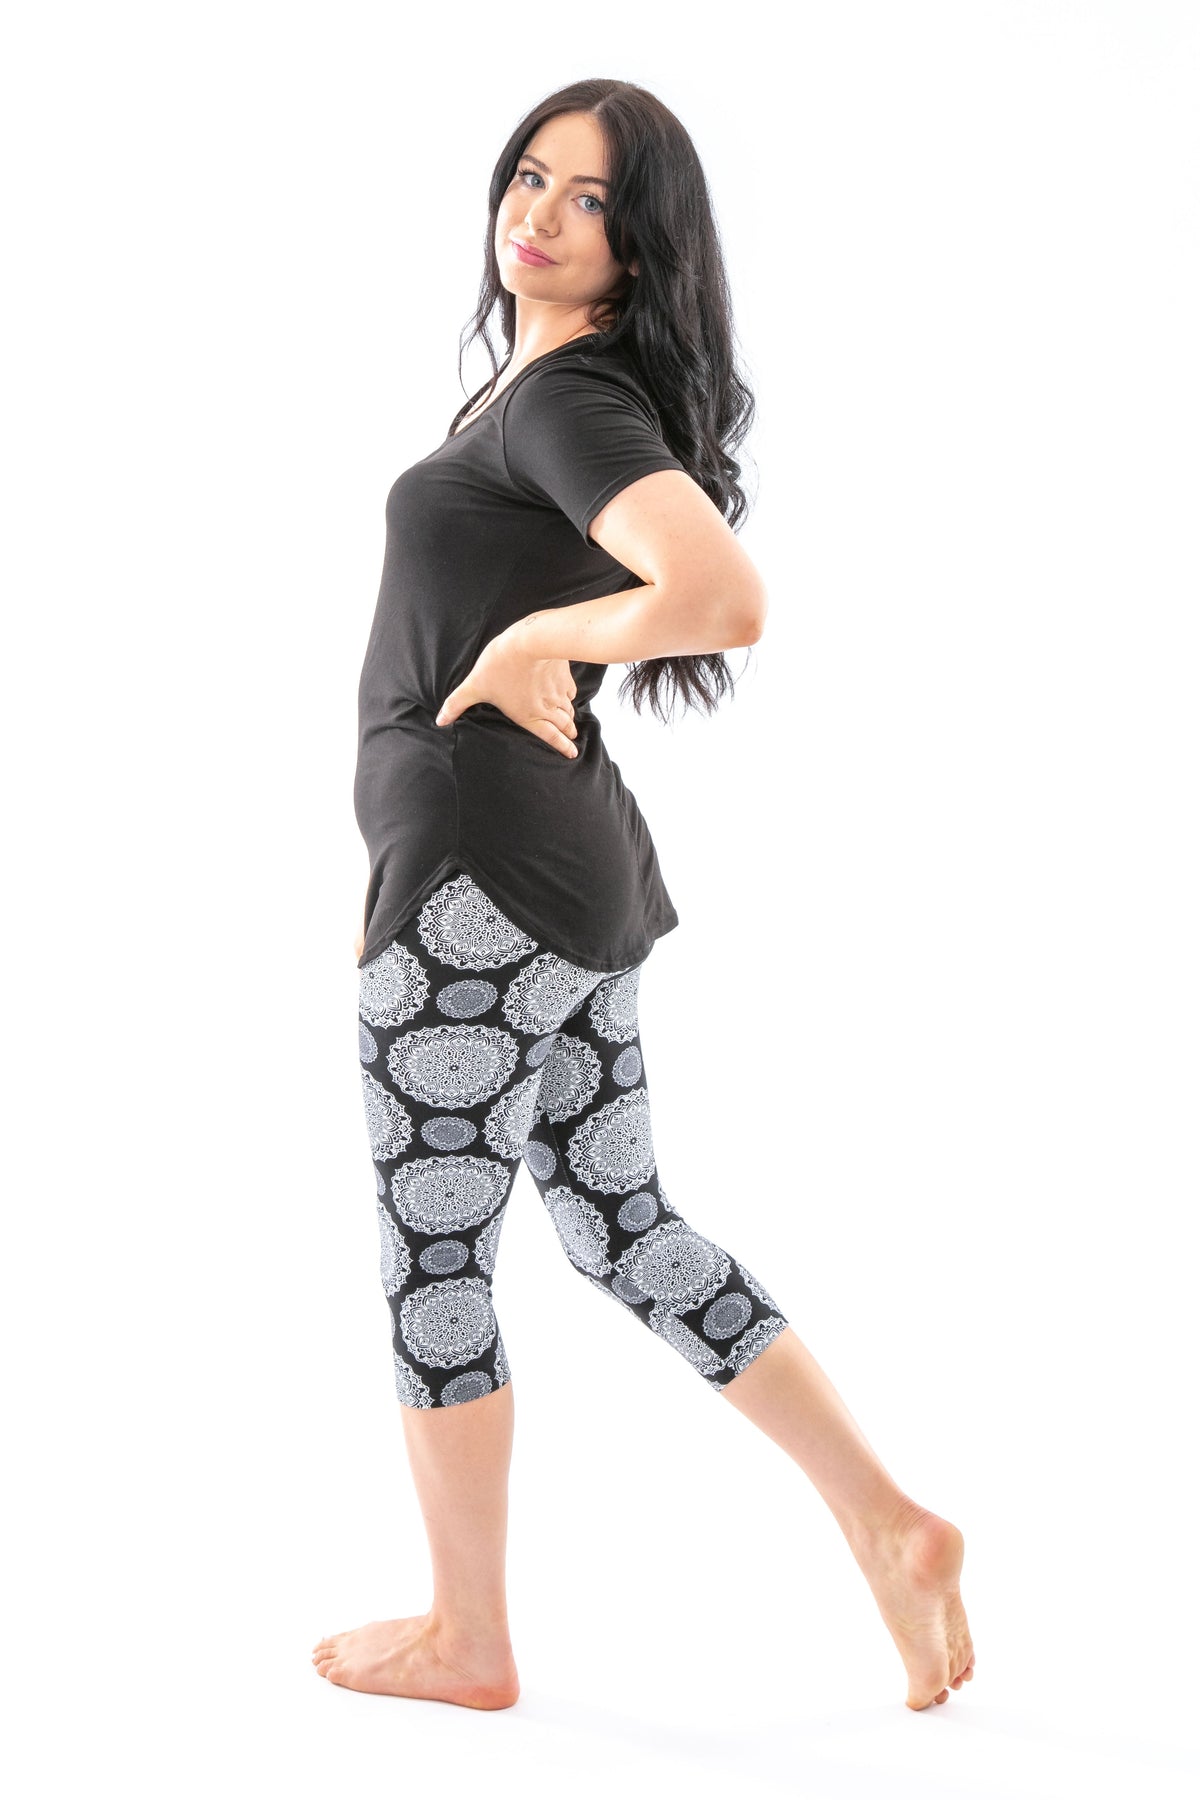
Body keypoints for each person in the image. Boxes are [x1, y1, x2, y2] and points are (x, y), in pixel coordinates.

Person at [313, 79, 975, 1714]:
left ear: (641, 242)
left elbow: (722, 595)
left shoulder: (569, 402)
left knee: (436, 1266)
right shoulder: (541, 387)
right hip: (546, 884)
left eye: (590, 198)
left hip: (481, 901)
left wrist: (538, 641)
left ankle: (469, 1637)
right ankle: (887, 1526)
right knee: (623, 1224)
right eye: (529, 176)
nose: (539, 213)